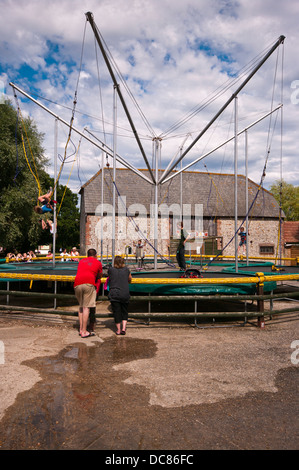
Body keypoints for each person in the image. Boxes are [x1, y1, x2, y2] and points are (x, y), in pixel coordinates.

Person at [74, 248, 102, 338]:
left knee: (81, 307)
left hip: (77, 283)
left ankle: (81, 329)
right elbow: (99, 275)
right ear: (95, 255)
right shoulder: (98, 262)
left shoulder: (81, 261)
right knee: (86, 308)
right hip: (88, 283)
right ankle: (84, 331)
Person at [108, 255, 132, 335]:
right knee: (124, 311)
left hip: (114, 293)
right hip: (124, 293)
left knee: (117, 312)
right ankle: (123, 328)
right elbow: (130, 278)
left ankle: (118, 330)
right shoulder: (126, 270)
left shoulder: (111, 269)